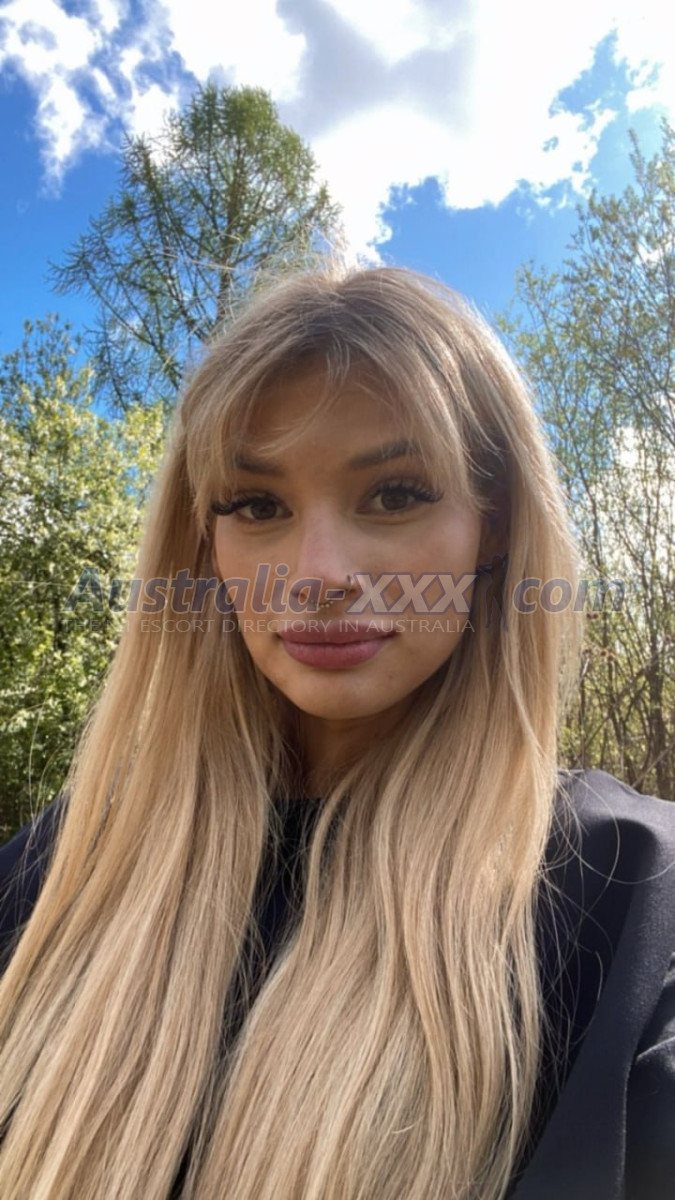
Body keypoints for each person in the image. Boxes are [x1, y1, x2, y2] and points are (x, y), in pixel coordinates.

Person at [0, 264, 674, 1200]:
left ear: (493, 526)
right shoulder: (65, 865)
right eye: (257, 505)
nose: (316, 574)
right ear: (205, 545)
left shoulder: (633, 896)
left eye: (395, 493)